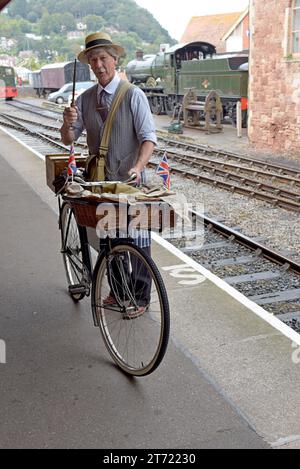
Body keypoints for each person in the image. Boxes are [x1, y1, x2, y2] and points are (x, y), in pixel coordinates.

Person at [60, 32, 157, 315]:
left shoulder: (133, 95)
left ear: (114, 60)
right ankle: (117, 291)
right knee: (109, 239)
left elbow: (149, 137)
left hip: (129, 182)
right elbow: (69, 139)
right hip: (99, 183)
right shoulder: (86, 98)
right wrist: (68, 123)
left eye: (103, 58)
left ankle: (139, 298)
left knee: (137, 239)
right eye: (93, 60)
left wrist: (138, 168)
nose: (99, 64)